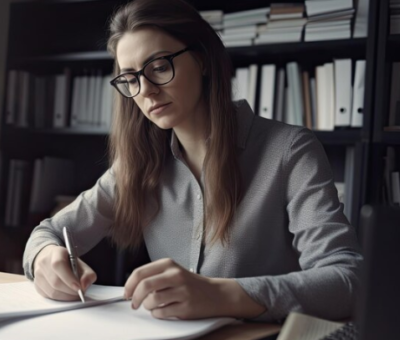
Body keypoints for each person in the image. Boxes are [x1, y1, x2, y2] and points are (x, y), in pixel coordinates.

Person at [23, 0, 362, 322]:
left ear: (201, 59)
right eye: (130, 78)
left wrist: (223, 295)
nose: (146, 91)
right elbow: (49, 232)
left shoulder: (289, 150)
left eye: (158, 67)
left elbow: (348, 280)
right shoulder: (139, 164)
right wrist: (44, 258)